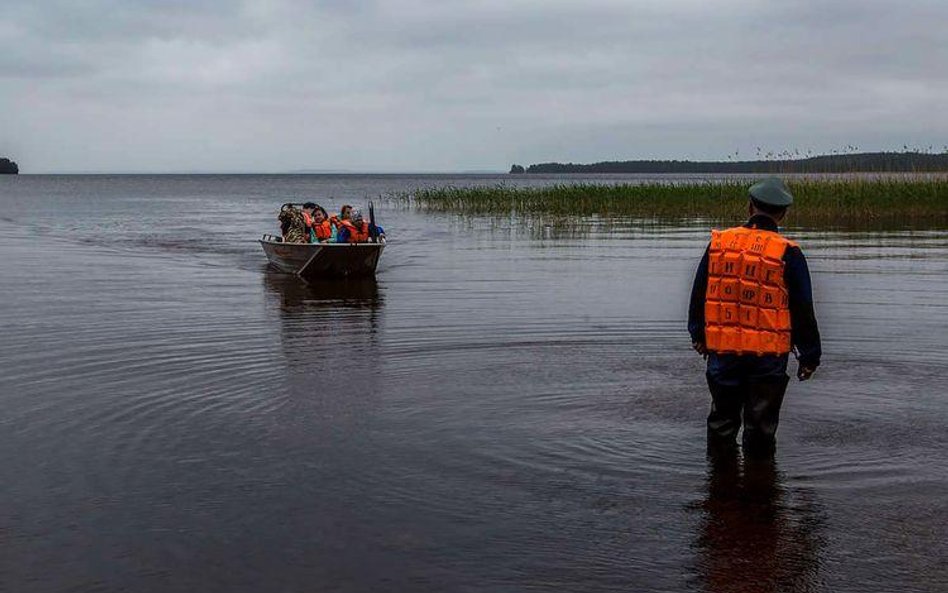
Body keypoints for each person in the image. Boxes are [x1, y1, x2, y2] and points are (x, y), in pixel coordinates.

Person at [688, 177, 821, 457]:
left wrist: (698, 334)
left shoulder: (720, 244)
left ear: (750, 207)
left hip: (723, 351)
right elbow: (802, 307)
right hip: (767, 356)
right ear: (783, 213)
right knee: (761, 430)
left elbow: (700, 291)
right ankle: (762, 493)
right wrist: (809, 356)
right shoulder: (788, 252)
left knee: (721, 425)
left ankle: (718, 491)